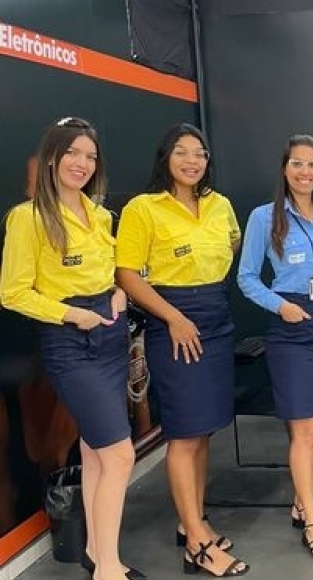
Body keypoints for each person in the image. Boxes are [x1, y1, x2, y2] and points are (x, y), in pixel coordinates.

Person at [0, 117, 144, 580]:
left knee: (99, 452)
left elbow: (109, 271)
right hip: (70, 342)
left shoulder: (99, 214)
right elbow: (13, 292)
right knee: (120, 455)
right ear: (51, 158)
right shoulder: (28, 218)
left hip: (109, 335)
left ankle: (103, 559)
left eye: (90, 156)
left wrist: (118, 295)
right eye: (74, 153)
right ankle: (107, 570)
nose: (82, 163)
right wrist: (72, 314)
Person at [115, 123, 249, 577]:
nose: (192, 161)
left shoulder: (220, 205)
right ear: (165, 158)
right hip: (173, 320)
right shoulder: (143, 208)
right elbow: (128, 274)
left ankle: (192, 520)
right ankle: (196, 544)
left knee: (205, 428)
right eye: (181, 152)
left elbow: (231, 242)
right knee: (183, 433)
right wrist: (172, 316)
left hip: (215, 315)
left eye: (199, 153)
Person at [237, 135, 313, 561]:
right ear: (285, 169)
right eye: (297, 164)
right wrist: (281, 306)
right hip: (290, 324)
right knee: (302, 430)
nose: (305, 172)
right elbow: (247, 278)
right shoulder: (265, 217)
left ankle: (302, 504)